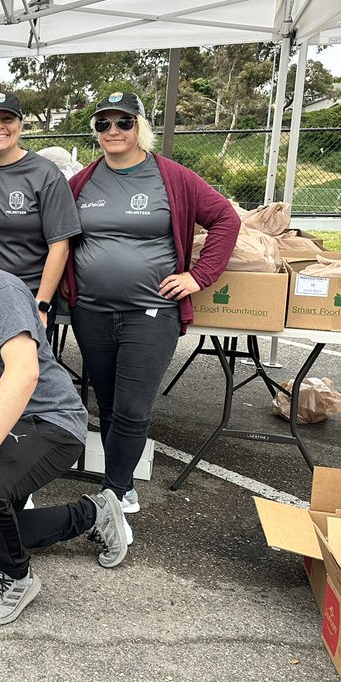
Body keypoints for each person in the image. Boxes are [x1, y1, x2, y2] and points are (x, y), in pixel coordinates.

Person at [0, 200, 130, 626]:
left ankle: (16, 578)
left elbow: (24, 372)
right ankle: (95, 513)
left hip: (49, 423)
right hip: (3, 431)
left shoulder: (1, 290)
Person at [65, 90, 238, 522]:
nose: (113, 131)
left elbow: (226, 219)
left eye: (123, 122)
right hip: (91, 311)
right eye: (103, 124)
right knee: (107, 403)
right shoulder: (82, 182)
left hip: (151, 312)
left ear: (140, 126)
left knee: (132, 406)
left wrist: (199, 276)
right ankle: (117, 486)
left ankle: (115, 493)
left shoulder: (172, 177)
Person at [0, 92, 80, 330]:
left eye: (7, 119)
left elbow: (60, 246)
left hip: (27, 295)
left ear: (20, 127)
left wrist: (41, 304)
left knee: (26, 367)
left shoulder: (45, 174)